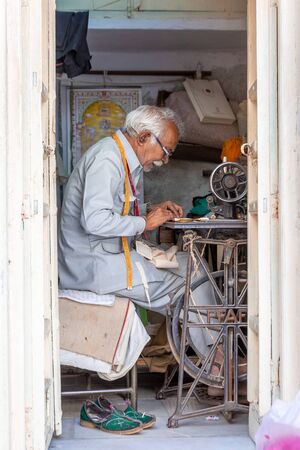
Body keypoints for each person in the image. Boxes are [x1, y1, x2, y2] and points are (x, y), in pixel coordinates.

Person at [58, 105, 190, 311]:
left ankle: (201, 338)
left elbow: (115, 208)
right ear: (144, 137)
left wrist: (150, 210)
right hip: (93, 266)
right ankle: (213, 342)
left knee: (189, 263)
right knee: (189, 284)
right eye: (166, 152)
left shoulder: (122, 157)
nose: (164, 161)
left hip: (108, 256)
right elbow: (94, 220)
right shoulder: (108, 159)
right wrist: (145, 222)